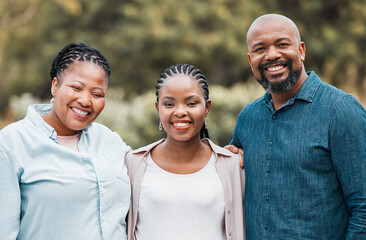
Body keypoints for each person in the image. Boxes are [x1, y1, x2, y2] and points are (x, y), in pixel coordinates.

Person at [228, 13, 366, 239]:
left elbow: (363, 209)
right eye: (260, 49)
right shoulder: (248, 118)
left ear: (301, 51)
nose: (272, 55)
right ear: (250, 59)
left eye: (282, 44)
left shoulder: (341, 111)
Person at [0, 43, 131, 240]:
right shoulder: (11, 143)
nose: (86, 101)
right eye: (76, 88)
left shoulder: (110, 141)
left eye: (97, 94)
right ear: (55, 86)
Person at [125, 63, 245, 240]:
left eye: (191, 103)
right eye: (169, 104)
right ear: (158, 108)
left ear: (207, 108)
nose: (180, 111)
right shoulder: (133, 163)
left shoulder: (232, 165)